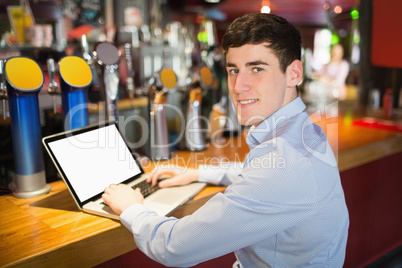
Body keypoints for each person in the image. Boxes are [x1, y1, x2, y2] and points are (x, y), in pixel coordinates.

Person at [102, 13, 349, 267]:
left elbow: (175, 247)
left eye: (257, 69)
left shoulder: (284, 164)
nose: (239, 86)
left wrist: (132, 208)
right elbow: (260, 174)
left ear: (294, 73)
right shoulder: (302, 132)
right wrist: (197, 173)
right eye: (233, 70)